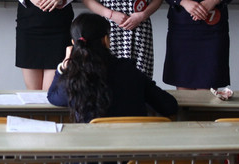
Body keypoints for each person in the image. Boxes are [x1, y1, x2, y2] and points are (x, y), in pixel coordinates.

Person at [47, 13, 178, 123]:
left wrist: (63, 67)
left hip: (92, 149)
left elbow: (53, 97)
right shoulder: (129, 70)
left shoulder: (76, 78)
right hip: (132, 148)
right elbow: (169, 106)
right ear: (106, 40)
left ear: (74, 43)